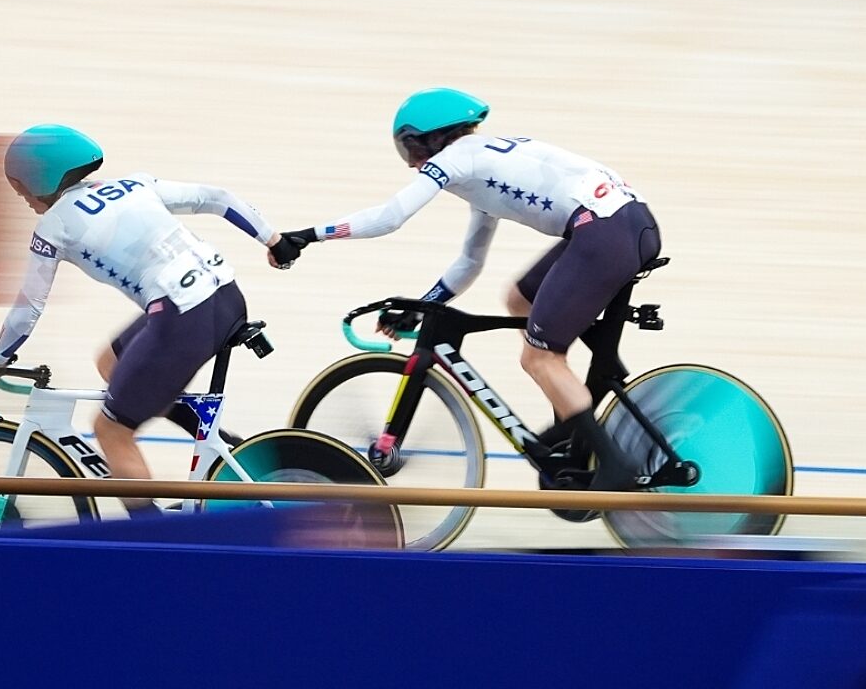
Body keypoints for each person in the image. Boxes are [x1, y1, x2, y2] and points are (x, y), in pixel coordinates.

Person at [282, 88, 661, 491]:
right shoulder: (484, 166)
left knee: (538, 357)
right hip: (622, 223)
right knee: (520, 299)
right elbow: (469, 262)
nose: (413, 164)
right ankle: (574, 426)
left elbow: (390, 217)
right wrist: (427, 305)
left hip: (603, 232)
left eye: (410, 149)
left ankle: (615, 468)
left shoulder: (456, 158)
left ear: (433, 137)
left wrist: (307, 236)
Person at [0, 124, 302, 515]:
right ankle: (215, 437)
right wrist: (275, 240)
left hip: (184, 317)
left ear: (38, 178)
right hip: (227, 296)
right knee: (111, 364)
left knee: (110, 430)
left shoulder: (54, 226)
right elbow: (216, 198)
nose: (24, 200)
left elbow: (29, 307)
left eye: (21, 189)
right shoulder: (134, 185)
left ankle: (156, 542)